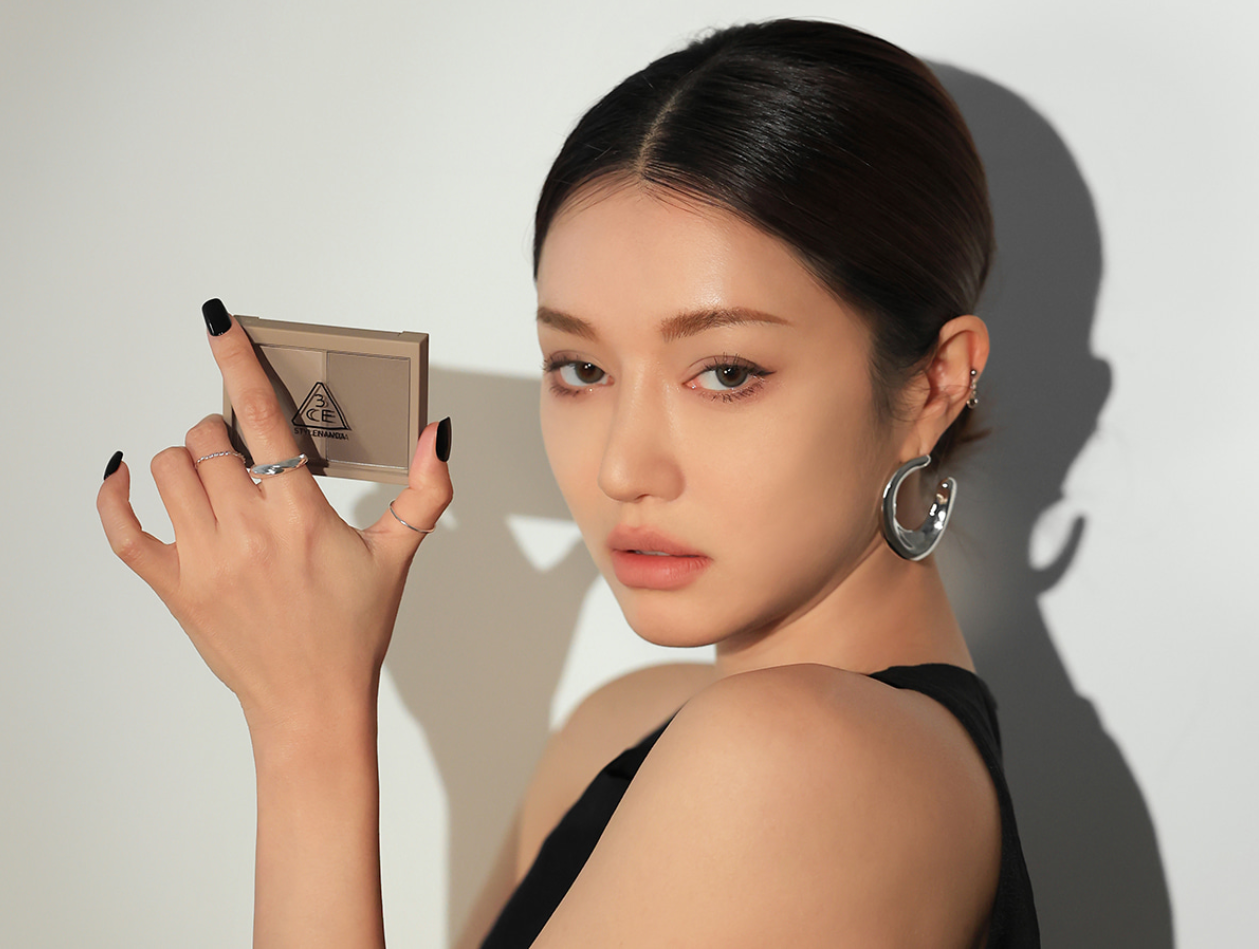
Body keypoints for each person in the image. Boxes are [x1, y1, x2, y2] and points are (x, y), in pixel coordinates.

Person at [97, 18, 1039, 949]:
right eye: (581, 369)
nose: (622, 468)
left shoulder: (794, 760)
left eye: (725, 372)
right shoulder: (626, 727)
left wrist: (307, 718)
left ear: (934, 383)